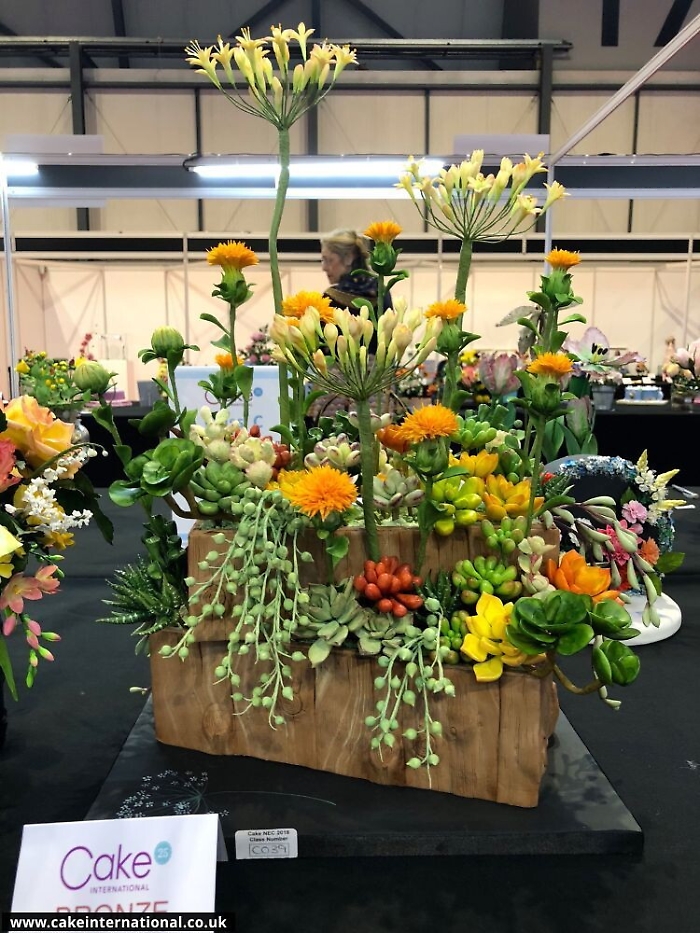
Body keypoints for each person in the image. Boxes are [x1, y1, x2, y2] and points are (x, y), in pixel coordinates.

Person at [320, 228, 392, 313]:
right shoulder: (381, 290)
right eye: (323, 260)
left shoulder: (330, 298)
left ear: (348, 258)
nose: (324, 268)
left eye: (329, 260)